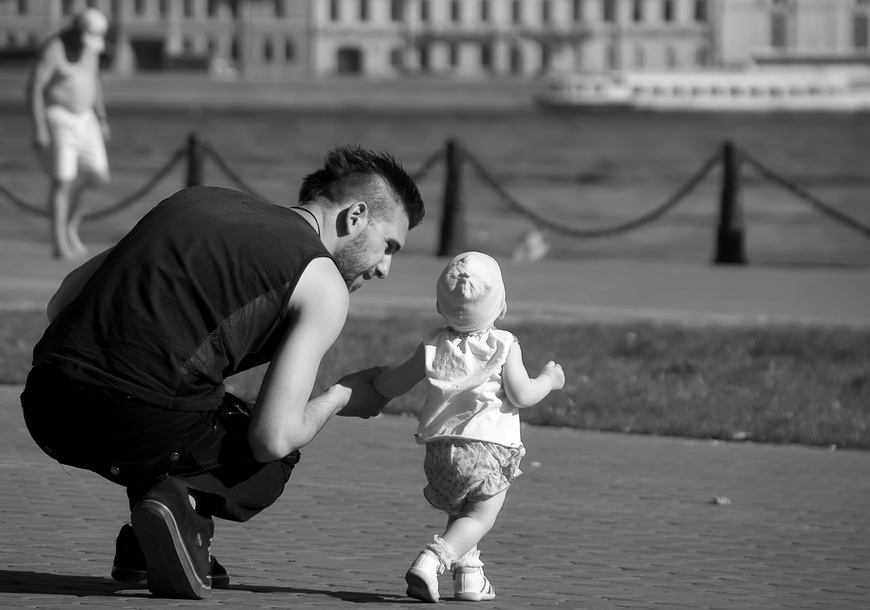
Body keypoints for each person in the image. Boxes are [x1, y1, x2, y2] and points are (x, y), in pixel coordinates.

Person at [20, 145, 425, 600]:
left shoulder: (193, 200)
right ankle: (181, 512)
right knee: (269, 458)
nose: (385, 268)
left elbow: (62, 303)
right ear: (356, 217)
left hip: (46, 405)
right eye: (388, 246)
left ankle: (146, 544)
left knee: (197, 399)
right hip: (140, 422)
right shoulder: (323, 281)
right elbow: (272, 437)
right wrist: (341, 395)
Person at [371, 251, 566, 603]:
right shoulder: (504, 345)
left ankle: (469, 578)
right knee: (479, 516)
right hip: (487, 448)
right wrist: (549, 380)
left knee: (461, 511)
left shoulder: (433, 344)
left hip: (441, 449)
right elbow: (522, 394)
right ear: (502, 307)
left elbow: (395, 384)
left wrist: (377, 383)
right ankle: (433, 561)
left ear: (437, 305)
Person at [27, 7, 111, 260]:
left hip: (86, 118)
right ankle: (59, 243)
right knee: (62, 180)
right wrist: (39, 127)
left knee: (100, 176)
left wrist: (102, 116)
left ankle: (70, 224)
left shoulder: (91, 48)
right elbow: (34, 88)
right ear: (76, 29)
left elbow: (94, 80)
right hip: (59, 117)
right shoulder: (54, 48)